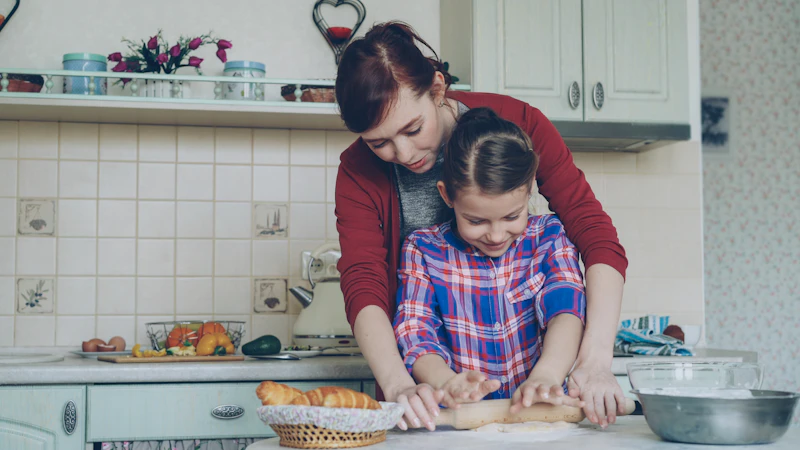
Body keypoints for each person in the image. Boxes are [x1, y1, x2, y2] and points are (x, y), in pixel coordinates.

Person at [334, 21, 627, 430]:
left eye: (413, 129)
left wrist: (594, 360)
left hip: (534, 405)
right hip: (434, 403)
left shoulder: (519, 124)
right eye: (378, 143)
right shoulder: (360, 174)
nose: (402, 153)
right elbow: (364, 281)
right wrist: (399, 383)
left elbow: (593, 233)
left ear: (437, 89)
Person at [394, 108, 586, 413]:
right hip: (461, 423)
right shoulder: (422, 250)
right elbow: (415, 331)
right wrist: (446, 382)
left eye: (512, 216)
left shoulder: (549, 237)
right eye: (476, 221)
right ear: (447, 196)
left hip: (541, 417)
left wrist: (547, 375)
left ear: (529, 188)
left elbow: (566, 312)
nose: (496, 236)